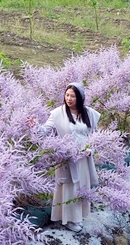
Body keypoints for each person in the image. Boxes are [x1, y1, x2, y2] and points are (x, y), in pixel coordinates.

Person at [41, 82, 100, 231]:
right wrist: (32, 126)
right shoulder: (57, 114)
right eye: (67, 95)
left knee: (82, 186)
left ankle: (78, 216)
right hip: (66, 157)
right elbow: (44, 131)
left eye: (72, 96)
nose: (69, 98)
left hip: (83, 158)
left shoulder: (90, 114)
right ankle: (69, 219)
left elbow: (94, 136)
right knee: (69, 187)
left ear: (80, 97)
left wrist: (90, 149)